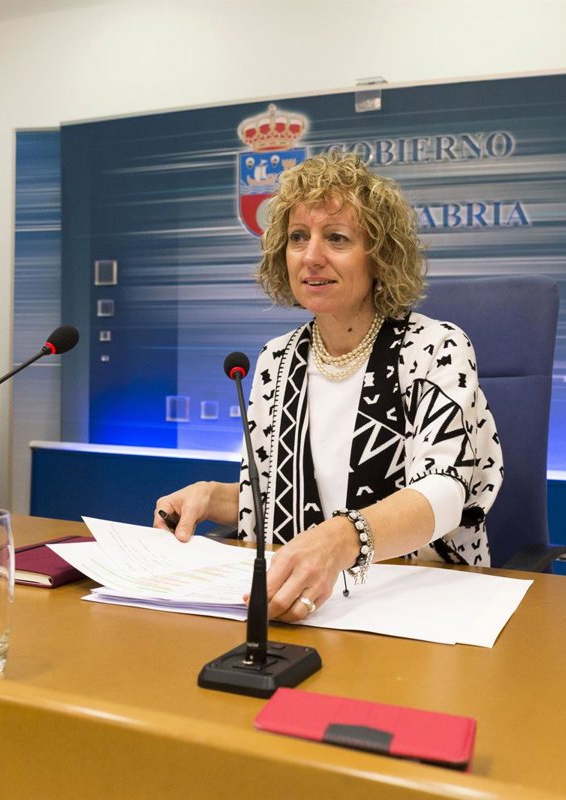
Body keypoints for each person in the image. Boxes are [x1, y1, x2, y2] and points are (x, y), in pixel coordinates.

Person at [153, 151, 502, 623]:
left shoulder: (435, 347)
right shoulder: (276, 359)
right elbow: (288, 497)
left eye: (337, 238)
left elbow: (444, 491)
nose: (311, 256)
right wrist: (213, 497)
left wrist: (343, 538)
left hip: (419, 605)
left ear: (380, 256)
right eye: (298, 237)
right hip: (304, 608)